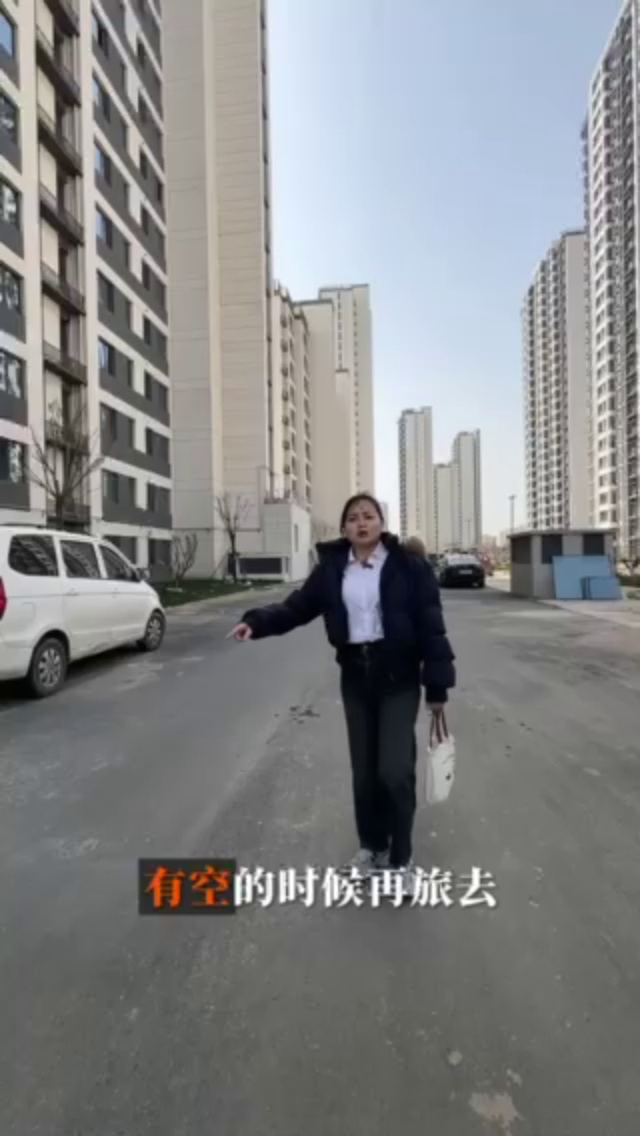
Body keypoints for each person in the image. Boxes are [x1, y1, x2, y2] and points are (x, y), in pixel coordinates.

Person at [228, 493, 456, 895]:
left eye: (368, 516)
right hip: (355, 677)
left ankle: (401, 860)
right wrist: (257, 622)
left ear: (381, 522)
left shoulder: (409, 566)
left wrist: (436, 687)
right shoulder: (333, 569)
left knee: (394, 770)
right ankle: (372, 847)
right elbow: (296, 608)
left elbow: (431, 627)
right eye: (353, 518)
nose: (361, 523)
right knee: (364, 773)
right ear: (344, 528)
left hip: (399, 677)